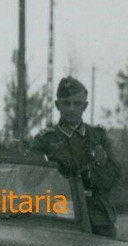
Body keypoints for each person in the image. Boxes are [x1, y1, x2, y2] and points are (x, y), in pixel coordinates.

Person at [30, 76, 121, 237]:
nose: (71, 108)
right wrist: (55, 168)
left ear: (85, 106)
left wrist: (88, 175)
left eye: (77, 104)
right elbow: (29, 179)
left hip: (98, 218)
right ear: (57, 105)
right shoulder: (45, 140)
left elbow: (113, 174)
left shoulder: (98, 137)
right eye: (66, 103)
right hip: (58, 216)